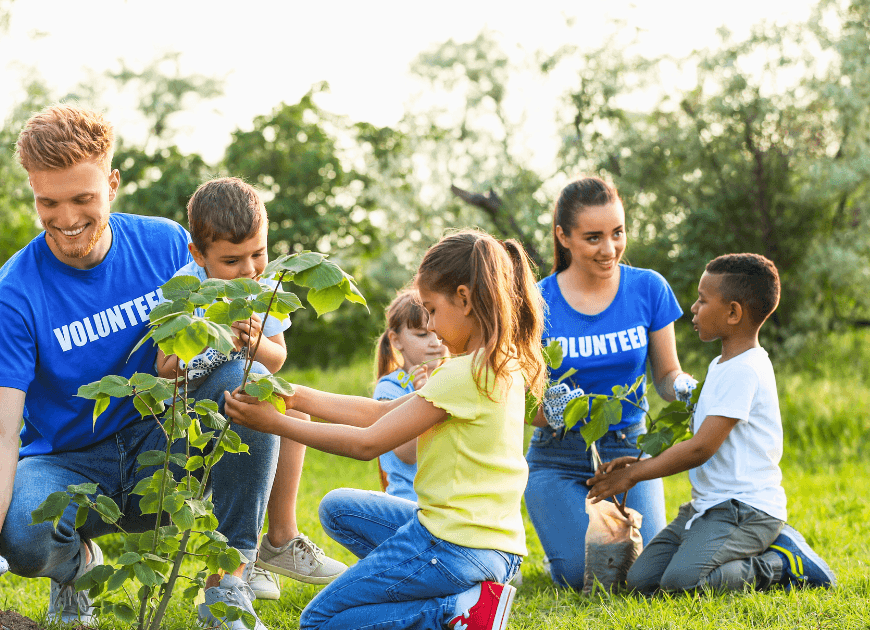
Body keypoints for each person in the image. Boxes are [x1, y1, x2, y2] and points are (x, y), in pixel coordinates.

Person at [0, 106, 278, 630]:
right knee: (21, 532)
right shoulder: (13, 296)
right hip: (69, 462)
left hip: (163, 439)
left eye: (82, 199)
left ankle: (228, 583)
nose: (66, 218)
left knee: (251, 385)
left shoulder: (165, 247)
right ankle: (78, 571)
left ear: (112, 184)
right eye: (47, 201)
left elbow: (239, 331)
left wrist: (203, 357)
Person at [225, 229, 545, 630]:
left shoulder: (463, 374)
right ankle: (454, 592)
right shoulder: (500, 363)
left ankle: (456, 611)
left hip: (452, 544)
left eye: (431, 310)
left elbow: (367, 443)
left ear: (463, 298)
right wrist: (293, 396)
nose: (429, 324)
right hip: (494, 546)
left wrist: (274, 422)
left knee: (319, 621)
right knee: (338, 509)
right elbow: (383, 411)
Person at [587, 253, 836, 592]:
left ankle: (778, 563)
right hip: (707, 507)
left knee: (681, 584)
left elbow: (701, 447)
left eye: (702, 300)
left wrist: (633, 475)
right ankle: (720, 547)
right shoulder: (722, 364)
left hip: (745, 509)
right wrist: (638, 461)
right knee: (642, 580)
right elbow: (704, 439)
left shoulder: (746, 369)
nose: (693, 308)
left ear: (733, 312)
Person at [154, 177, 347, 602]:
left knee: (289, 407)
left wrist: (257, 343)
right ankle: (238, 565)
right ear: (198, 256)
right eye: (231, 260)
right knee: (260, 393)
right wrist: (214, 334)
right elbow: (165, 368)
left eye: (258, 254)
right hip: (188, 418)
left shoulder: (263, 289)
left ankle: (273, 543)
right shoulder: (184, 292)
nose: (248, 270)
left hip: (241, 405)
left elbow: (276, 358)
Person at [525, 176, 694, 590]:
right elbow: (526, 405)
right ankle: (563, 547)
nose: (609, 249)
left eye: (617, 233)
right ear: (563, 237)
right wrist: (553, 408)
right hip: (557, 457)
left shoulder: (648, 288)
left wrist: (689, 388)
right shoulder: (536, 302)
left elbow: (666, 376)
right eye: (594, 237)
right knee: (579, 577)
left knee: (641, 574)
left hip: (631, 454)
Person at [371, 289, 447, 501]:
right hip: (408, 503)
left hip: (448, 505)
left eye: (438, 331)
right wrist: (424, 395)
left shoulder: (452, 378)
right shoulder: (390, 389)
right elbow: (407, 453)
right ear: (396, 340)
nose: (435, 342)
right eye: (422, 334)